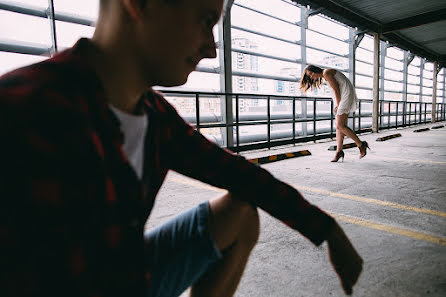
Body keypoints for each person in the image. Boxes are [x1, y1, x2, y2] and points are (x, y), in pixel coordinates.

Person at [0, 1, 363, 296]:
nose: (211, 47)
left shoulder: (153, 114)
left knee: (240, 210)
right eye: (205, 20)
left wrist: (326, 230)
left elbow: (241, 175)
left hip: (127, 274)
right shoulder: (24, 110)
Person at [300, 65, 370, 162]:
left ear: (315, 70)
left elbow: (336, 89)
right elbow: (337, 89)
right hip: (345, 95)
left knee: (340, 125)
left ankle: (361, 144)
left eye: (311, 73)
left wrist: (338, 104)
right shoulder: (325, 75)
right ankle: (339, 151)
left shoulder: (326, 73)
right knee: (339, 126)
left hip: (345, 96)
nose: (311, 76)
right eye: (309, 76)